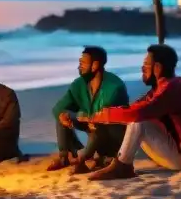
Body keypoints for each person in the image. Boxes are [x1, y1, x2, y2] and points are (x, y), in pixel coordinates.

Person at [79, 44, 181, 181]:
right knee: (133, 117)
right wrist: (97, 117)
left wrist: (99, 116)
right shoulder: (167, 87)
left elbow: (137, 113)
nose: (142, 68)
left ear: (158, 67)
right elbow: (133, 108)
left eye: (146, 64)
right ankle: (115, 158)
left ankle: (122, 166)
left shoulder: (172, 89)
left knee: (139, 121)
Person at [46, 46, 129, 174]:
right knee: (64, 115)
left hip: (110, 131)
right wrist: (63, 116)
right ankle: (65, 156)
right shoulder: (79, 84)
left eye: (83, 63)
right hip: (91, 124)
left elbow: (103, 116)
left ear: (95, 65)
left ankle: (96, 157)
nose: (79, 67)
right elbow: (58, 108)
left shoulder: (114, 87)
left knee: (98, 126)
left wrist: (84, 116)